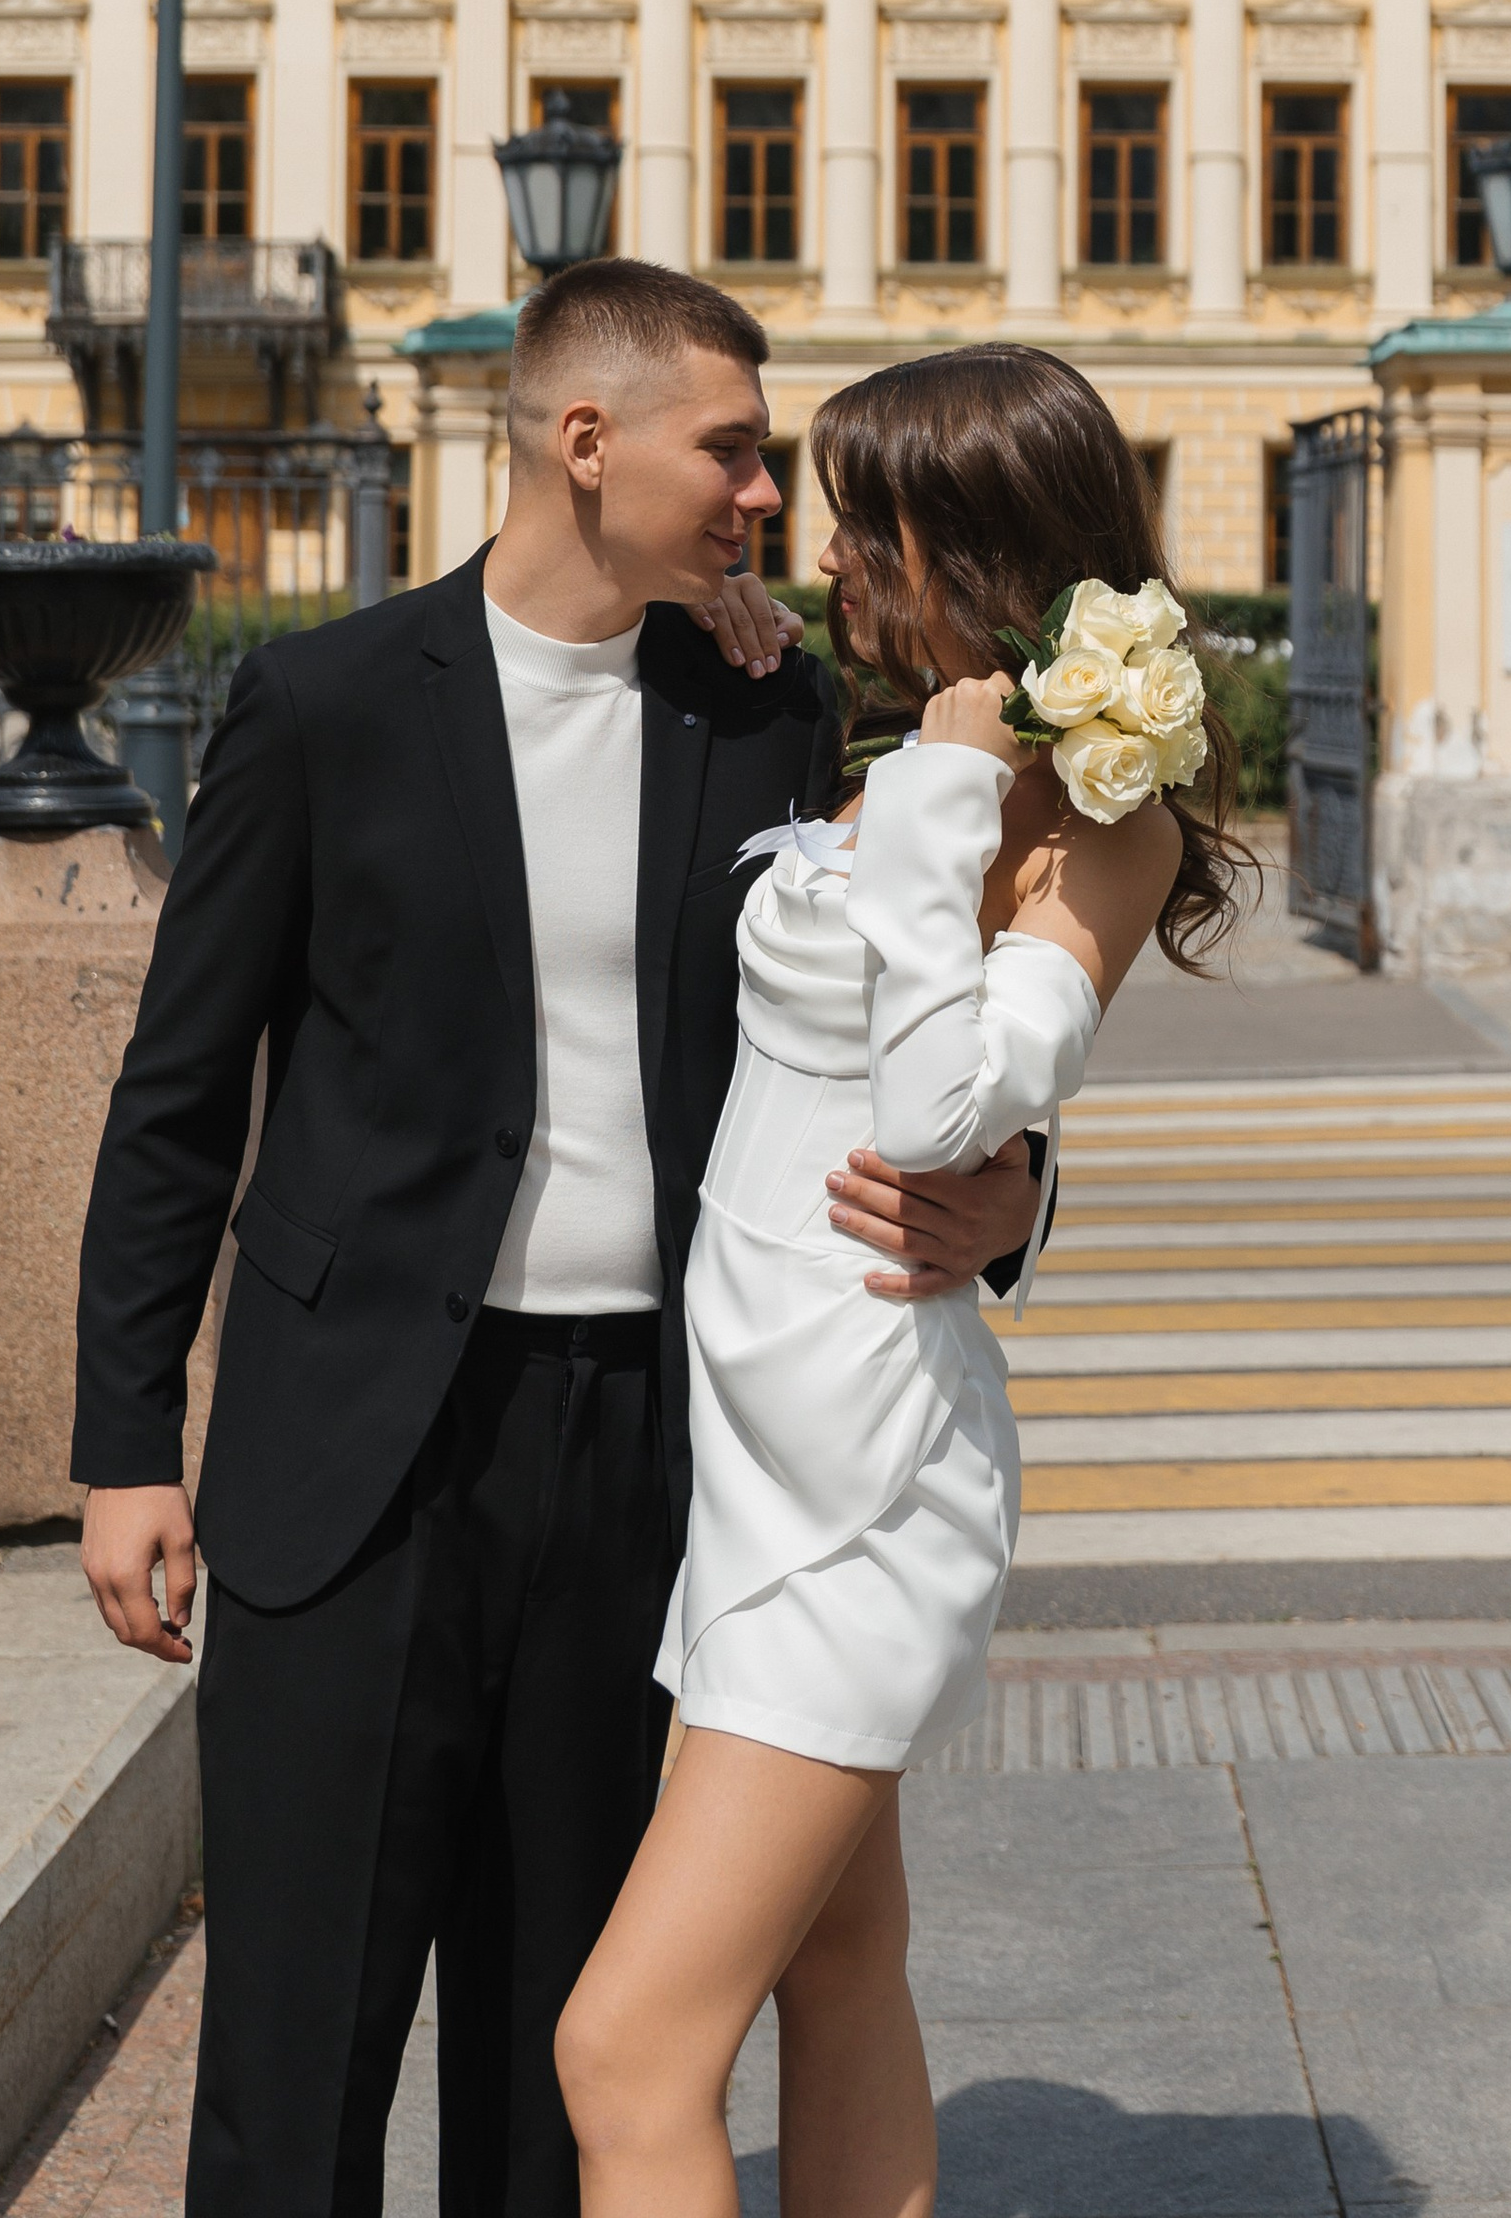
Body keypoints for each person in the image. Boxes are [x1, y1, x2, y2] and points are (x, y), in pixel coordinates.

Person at [70, 263, 1047, 2218]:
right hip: (353, 1449)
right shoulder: (327, 705)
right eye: (734, 452)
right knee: (294, 2045)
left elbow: (906, 1014)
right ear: (586, 444)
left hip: (646, 1454)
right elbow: (179, 1094)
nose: (765, 496)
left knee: (560, 2053)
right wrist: (122, 1449)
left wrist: (1015, 1197)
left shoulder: (767, 708)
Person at [556, 342, 1238, 2218]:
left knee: (623, 2052)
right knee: (840, 1967)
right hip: (753, 1442)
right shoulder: (896, 751)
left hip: (863, 1479)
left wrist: (942, 793)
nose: (828, 552)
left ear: (978, 547)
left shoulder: (1092, 825)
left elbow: (942, 1106)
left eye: (869, 525)